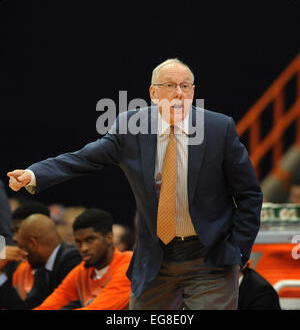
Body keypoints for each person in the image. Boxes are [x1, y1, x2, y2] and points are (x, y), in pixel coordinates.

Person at [7, 58, 263, 310]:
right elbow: (84, 158)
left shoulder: (218, 128)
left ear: (193, 92)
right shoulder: (132, 127)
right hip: (156, 257)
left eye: (185, 86)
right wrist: (34, 174)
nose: (179, 93)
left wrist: (238, 252)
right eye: (170, 85)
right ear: (153, 92)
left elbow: (249, 194)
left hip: (210, 256)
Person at [34, 209, 132, 310]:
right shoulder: (82, 271)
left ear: (109, 238)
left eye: (90, 240)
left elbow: (98, 308)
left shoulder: (128, 264)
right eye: (78, 242)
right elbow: (50, 304)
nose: (83, 248)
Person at [0, 213, 82, 309]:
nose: (20, 253)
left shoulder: (73, 260)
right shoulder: (43, 269)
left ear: (33, 243)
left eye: (22, 247)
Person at [11, 201, 51, 300]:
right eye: (13, 232)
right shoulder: (22, 269)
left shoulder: (69, 262)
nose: (14, 238)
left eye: (18, 230)